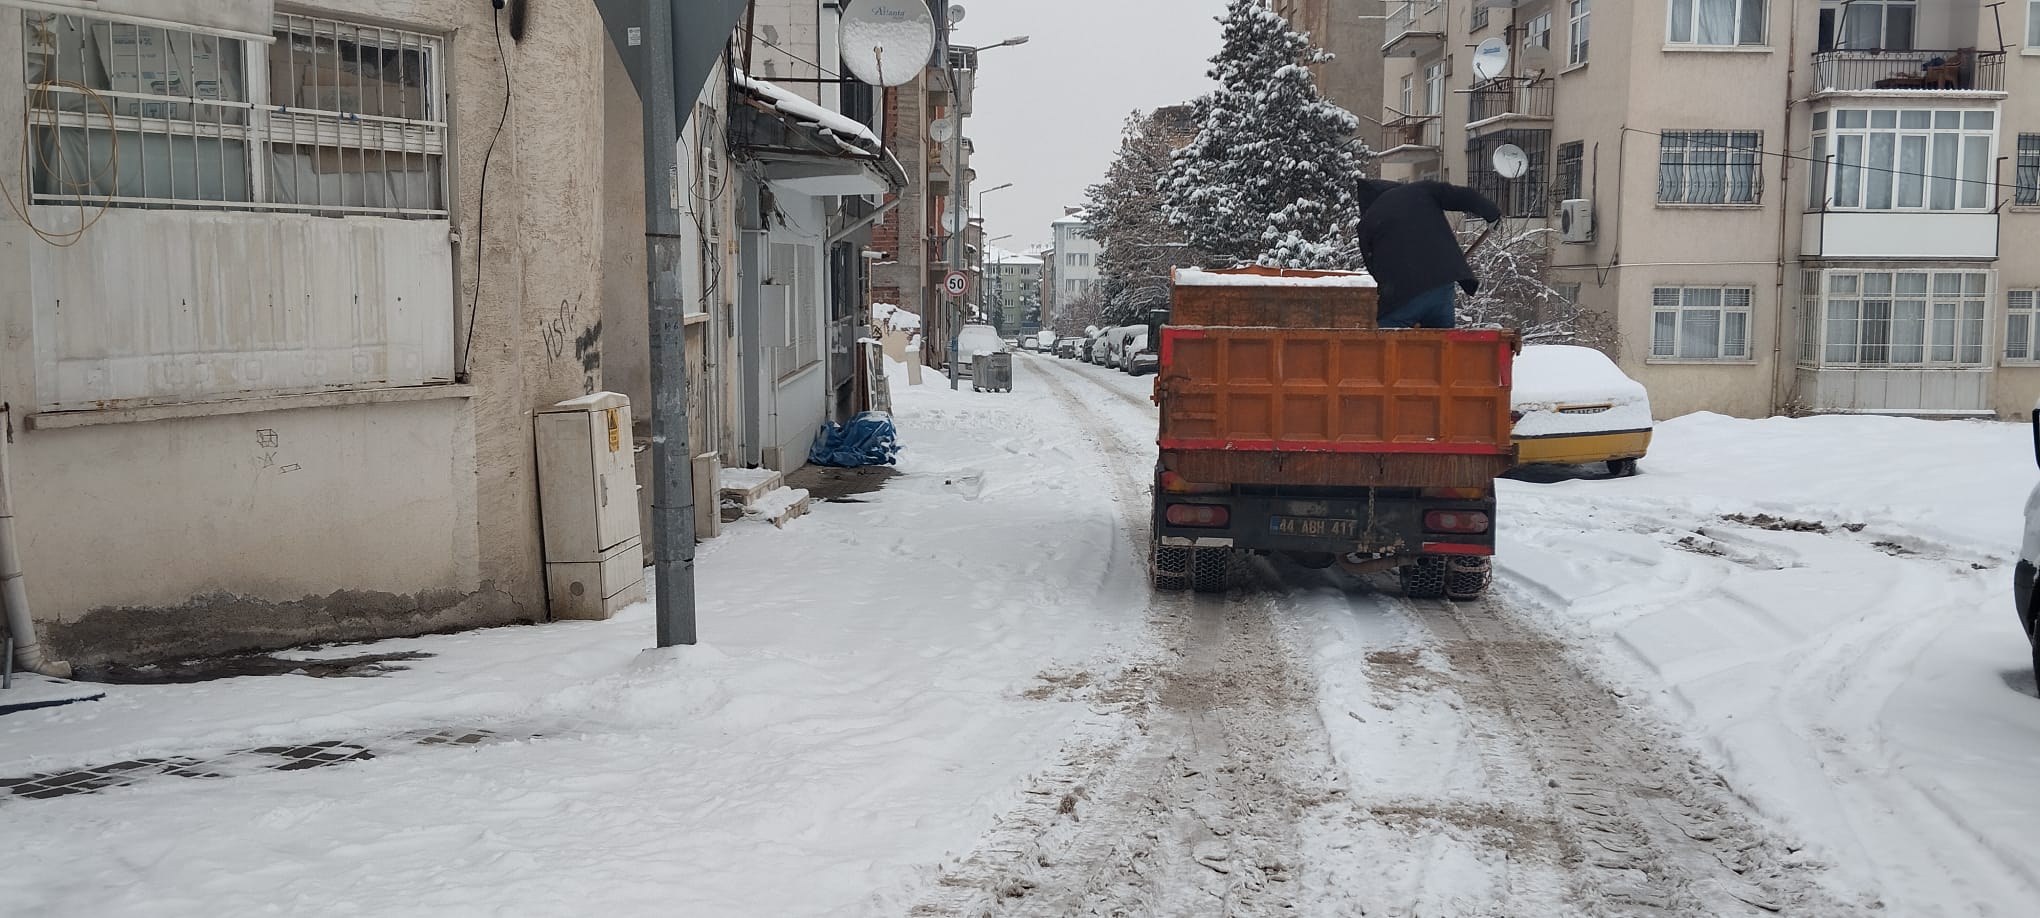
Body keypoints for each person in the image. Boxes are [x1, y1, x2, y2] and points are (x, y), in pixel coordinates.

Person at [1354, 178, 1503, 329]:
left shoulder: (1367, 222)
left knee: (1386, 343)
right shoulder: (1421, 190)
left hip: (1402, 295)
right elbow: (1464, 196)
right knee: (1441, 345)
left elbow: (1374, 269)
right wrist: (1491, 213)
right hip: (1442, 286)